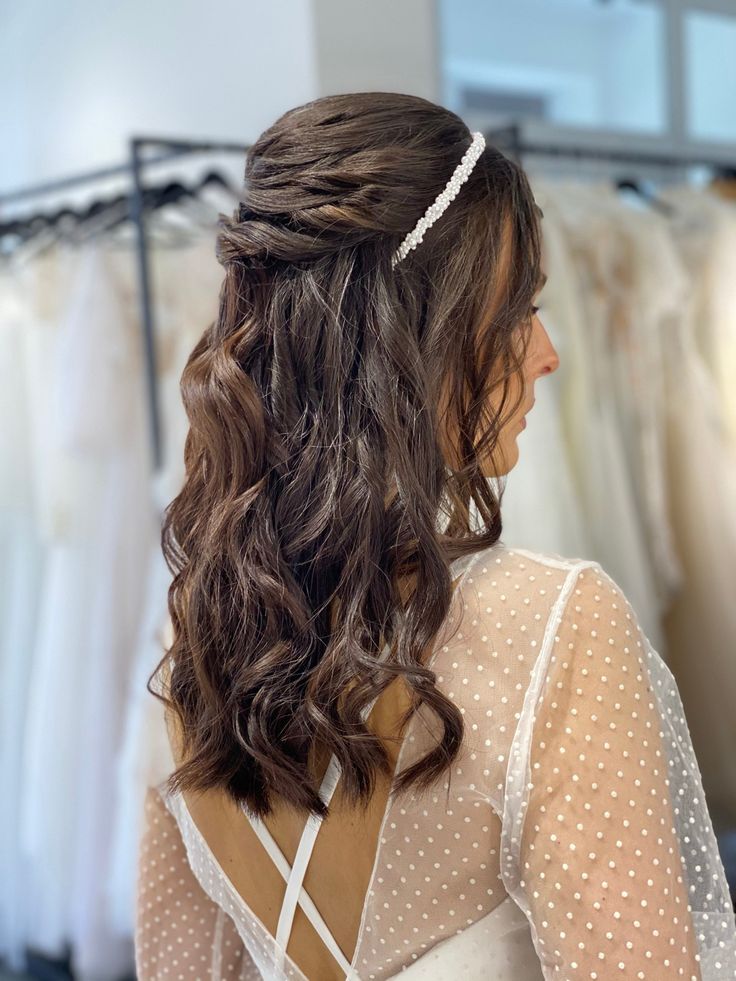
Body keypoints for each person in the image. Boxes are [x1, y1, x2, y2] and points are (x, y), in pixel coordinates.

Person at [134, 92, 736, 980]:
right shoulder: (555, 630)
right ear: (413, 341)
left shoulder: (193, 650)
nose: (548, 351)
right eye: (516, 311)